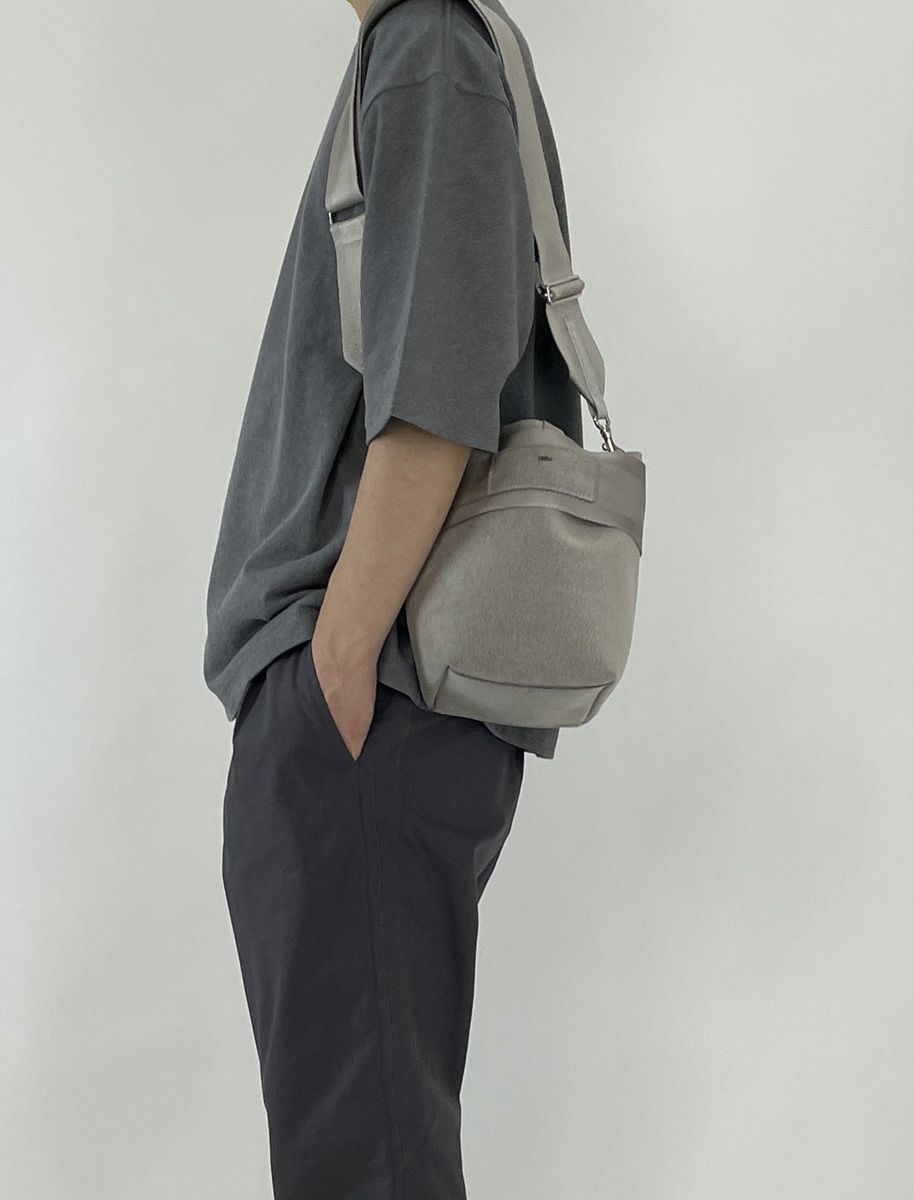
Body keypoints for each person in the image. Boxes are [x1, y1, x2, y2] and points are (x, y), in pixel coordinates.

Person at [204, 0, 583, 1194]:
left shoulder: (427, 47)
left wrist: (336, 666)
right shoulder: (431, 47)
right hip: (373, 699)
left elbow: (433, 404)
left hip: (366, 696)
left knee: (359, 1169)